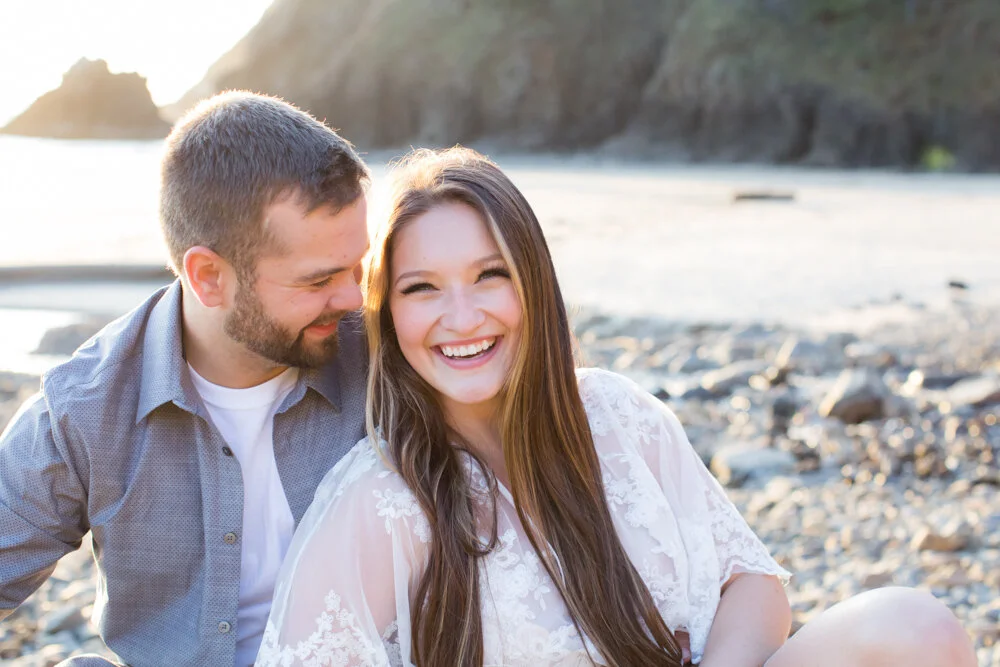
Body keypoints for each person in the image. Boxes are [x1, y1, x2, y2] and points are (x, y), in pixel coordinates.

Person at [258, 147, 978, 667]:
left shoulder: (614, 414)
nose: (462, 316)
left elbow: (752, 583)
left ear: (533, 284)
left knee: (915, 626)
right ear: (386, 314)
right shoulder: (382, 502)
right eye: (422, 288)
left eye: (489, 275)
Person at [0, 92, 371, 667]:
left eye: (358, 266)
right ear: (208, 277)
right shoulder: (86, 408)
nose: (353, 299)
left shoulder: (386, 358)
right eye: (318, 280)